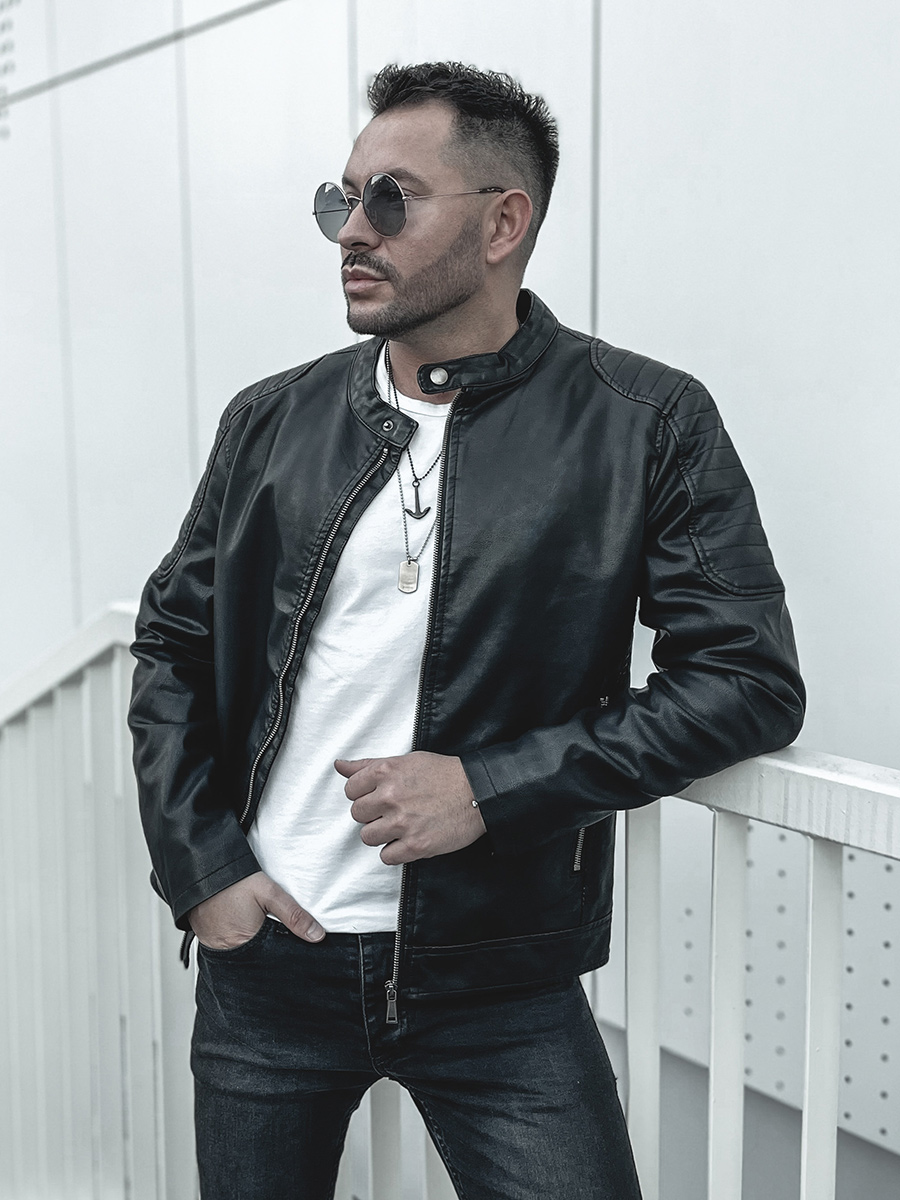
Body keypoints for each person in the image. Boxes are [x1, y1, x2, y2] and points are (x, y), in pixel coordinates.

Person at [128, 61, 804, 1200]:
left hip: (501, 976)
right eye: (340, 198)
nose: (353, 230)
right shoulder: (273, 420)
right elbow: (172, 648)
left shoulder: (644, 421)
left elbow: (746, 680)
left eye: (390, 199)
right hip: (267, 961)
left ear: (503, 223)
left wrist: (490, 787)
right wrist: (203, 873)